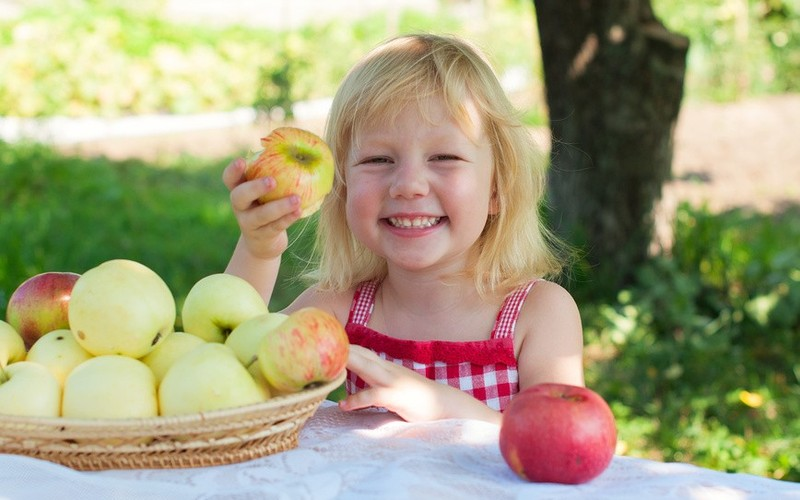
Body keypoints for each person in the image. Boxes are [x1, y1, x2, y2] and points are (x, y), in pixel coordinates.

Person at [222, 33, 584, 425]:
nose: (408, 184)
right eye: (378, 159)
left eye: (444, 157)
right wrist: (259, 250)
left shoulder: (538, 314)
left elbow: (561, 440)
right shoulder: (341, 310)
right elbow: (231, 374)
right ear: (341, 189)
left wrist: (446, 410)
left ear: (497, 188)